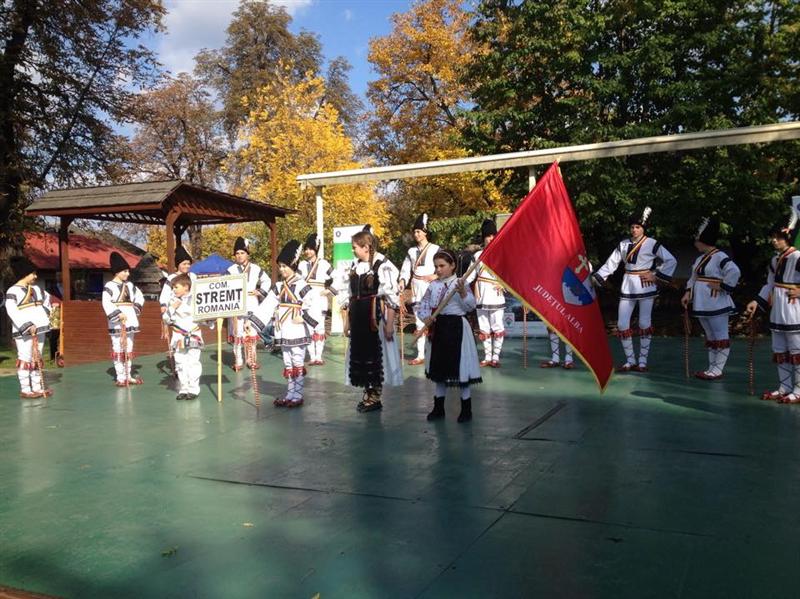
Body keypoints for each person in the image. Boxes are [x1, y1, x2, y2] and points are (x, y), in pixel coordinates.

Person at [593, 207, 677, 372]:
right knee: (622, 323)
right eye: (632, 227)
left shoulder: (652, 243)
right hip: (628, 284)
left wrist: (655, 275)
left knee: (645, 322)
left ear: (643, 228)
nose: (634, 229)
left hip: (646, 285)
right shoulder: (623, 244)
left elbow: (671, 260)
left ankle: (643, 361)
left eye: (638, 227)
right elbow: (612, 262)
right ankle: (630, 360)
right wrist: (599, 276)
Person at [338, 227, 403, 412]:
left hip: (374, 319)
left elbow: (391, 299)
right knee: (361, 355)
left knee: (374, 356)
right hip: (358, 319)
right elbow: (349, 296)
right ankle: (368, 393)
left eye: (355, 247)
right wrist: (347, 322)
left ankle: (375, 397)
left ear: (366, 246)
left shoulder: (382, 265)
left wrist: (390, 325)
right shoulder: (354, 266)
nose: (352, 250)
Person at [247, 240, 316, 408]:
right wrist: (252, 324)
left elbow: (314, 304)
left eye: (285, 266)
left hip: (298, 329)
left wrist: (304, 317)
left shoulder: (302, 285)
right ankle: (290, 393)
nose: (282, 269)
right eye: (280, 266)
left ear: (293, 265)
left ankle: (298, 394)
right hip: (283, 329)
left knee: (297, 360)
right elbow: (267, 305)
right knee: (287, 362)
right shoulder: (278, 286)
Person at [416, 250, 482, 422]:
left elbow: (470, 306)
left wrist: (462, 293)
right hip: (439, 328)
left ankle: (466, 409)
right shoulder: (433, 286)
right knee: (440, 370)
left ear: (453, 266)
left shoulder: (460, 283)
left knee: (462, 369)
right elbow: (423, 304)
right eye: (436, 266)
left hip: (457, 328)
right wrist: (426, 317)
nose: (438, 270)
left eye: (442, 266)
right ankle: (438, 408)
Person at [745, 203, 800, 402]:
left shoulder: (797, 257)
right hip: (778, 311)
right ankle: (784, 387)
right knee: (779, 349)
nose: (774, 240)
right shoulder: (774, 260)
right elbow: (769, 284)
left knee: (797, 351)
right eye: (773, 237)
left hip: (795, 311)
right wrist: (756, 302)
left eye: (778, 237)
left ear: (788, 237)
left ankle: (798, 390)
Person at [681, 217, 741, 380]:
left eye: (697, 240)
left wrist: (723, 286)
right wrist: (688, 293)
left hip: (716, 300)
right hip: (702, 301)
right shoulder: (699, 259)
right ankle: (711, 368)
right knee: (710, 334)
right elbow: (693, 278)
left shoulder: (720, 257)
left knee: (720, 333)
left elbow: (734, 271)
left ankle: (718, 369)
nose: (695, 243)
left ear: (704, 241)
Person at [5, 256, 52, 398]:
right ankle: (26, 389)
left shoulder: (37, 289)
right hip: (24, 331)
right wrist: (27, 324)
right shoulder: (12, 291)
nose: (35, 276)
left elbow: (47, 300)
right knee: (25, 357)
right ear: (24, 274)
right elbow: (12, 311)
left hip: (39, 328)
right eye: (33, 273)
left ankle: (37, 387)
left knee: (37, 356)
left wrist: (43, 316)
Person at [398, 213, 440, 365]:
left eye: (418, 231)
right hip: (416, 288)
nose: (416, 234)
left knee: (433, 321)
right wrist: (403, 281)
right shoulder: (411, 251)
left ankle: (435, 353)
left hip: (430, 288)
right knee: (419, 322)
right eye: (414, 231)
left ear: (425, 232)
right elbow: (405, 269)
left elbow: (444, 267)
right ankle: (421, 354)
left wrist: (435, 276)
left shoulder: (436, 249)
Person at [466, 218, 506, 367]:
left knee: (497, 326)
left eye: (492, 235)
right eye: (488, 235)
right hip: (481, 295)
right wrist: (460, 283)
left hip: (496, 295)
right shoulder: (477, 256)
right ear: (483, 237)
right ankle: (487, 357)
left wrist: (503, 285)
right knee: (484, 327)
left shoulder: (502, 254)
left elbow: (509, 276)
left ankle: (496, 357)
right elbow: (470, 276)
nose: (490, 238)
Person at [162, 273, 208, 400]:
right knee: (180, 362)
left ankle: (193, 389)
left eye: (176, 287)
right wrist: (172, 308)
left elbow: (204, 319)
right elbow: (166, 319)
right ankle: (184, 388)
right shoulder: (172, 301)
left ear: (186, 287)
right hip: (179, 336)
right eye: (173, 287)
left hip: (193, 335)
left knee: (193, 362)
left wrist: (211, 319)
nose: (173, 290)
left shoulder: (197, 300)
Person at [227, 236, 270, 371]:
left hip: (252, 303)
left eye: (242, 253)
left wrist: (261, 291)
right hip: (237, 304)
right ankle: (238, 361)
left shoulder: (256, 268)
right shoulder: (231, 270)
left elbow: (267, 281)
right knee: (238, 334)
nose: (239, 256)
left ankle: (251, 360)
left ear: (247, 254)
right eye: (237, 253)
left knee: (251, 334)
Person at [102, 252, 145, 387]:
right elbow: (106, 302)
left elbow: (140, 297)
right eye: (125, 271)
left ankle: (128, 375)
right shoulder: (109, 286)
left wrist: (135, 309)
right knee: (118, 347)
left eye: (128, 271)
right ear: (117, 272)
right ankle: (120, 376)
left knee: (129, 348)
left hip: (130, 319)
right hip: (117, 321)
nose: (127, 274)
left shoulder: (131, 286)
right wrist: (118, 314)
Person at [159, 245, 196, 374]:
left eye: (188, 264)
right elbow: (164, 295)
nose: (186, 266)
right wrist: (165, 306)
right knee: (178, 342)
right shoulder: (171, 279)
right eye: (184, 263)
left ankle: (190, 369)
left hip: (190, 315)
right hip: (176, 313)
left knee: (192, 345)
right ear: (178, 264)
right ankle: (179, 368)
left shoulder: (193, 277)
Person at [297, 232, 333, 365]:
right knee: (308, 327)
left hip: (319, 298)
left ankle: (319, 356)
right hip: (307, 298)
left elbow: (338, 276)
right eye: (306, 249)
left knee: (320, 327)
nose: (307, 251)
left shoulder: (324, 264)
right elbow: (297, 281)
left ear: (316, 250)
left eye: (310, 249)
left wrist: (329, 290)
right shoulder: (301, 265)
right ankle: (312, 356)